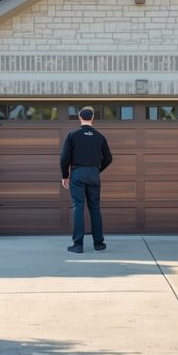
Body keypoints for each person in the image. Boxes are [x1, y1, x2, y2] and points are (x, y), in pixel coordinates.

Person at [60, 106, 113, 254]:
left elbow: (64, 158)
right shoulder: (99, 136)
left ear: (80, 117)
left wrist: (65, 175)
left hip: (77, 173)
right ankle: (99, 244)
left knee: (78, 207)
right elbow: (108, 158)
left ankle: (78, 245)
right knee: (95, 208)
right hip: (93, 174)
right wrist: (96, 170)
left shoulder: (72, 135)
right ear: (93, 117)